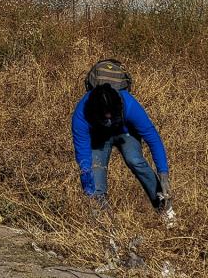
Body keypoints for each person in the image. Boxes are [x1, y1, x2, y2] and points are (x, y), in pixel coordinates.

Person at [71, 83, 176, 227]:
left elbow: (153, 138)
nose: (108, 120)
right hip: (99, 137)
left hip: (125, 132)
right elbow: (84, 158)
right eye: (104, 117)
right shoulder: (81, 115)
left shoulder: (129, 104)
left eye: (111, 116)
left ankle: (165, 209)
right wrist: (89, 190)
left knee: (135, 160)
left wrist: (163, 174)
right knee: (96, 179)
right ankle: (103, 223)